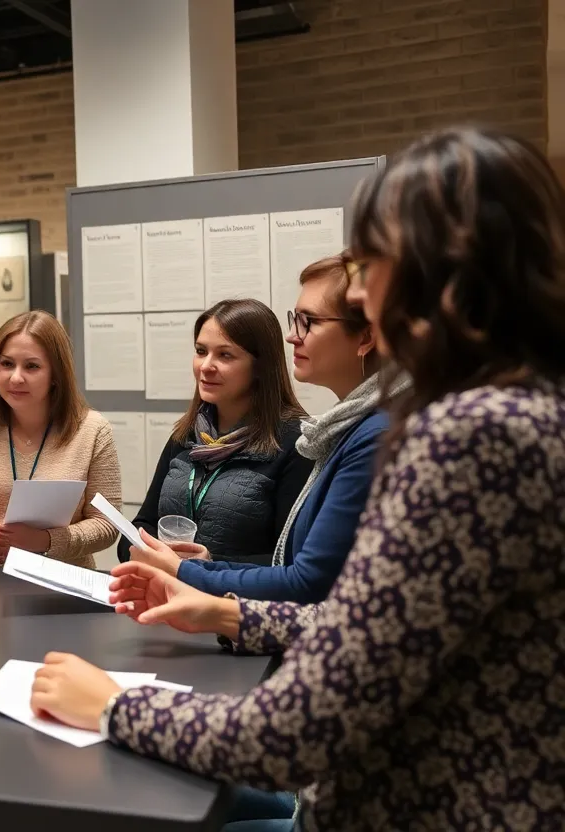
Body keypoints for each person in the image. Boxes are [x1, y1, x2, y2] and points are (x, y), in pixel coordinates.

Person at [29, 126, 565, 831]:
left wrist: (107, 703)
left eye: (371, 265)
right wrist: (225, 610)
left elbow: (289, 735)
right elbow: (377, 631)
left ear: (435, 273)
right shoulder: (527, 407)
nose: (365, 295)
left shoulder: (469, 434)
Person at [131, 253, 398, 604]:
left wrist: (193, 572)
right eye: (200, 351)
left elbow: (307, 581)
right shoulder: (345, 429)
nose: (293, 337)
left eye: (309, 322)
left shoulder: (354, 436)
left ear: (366, 336)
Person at [120, 299, 312, 566]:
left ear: (260, 367)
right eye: (201, 351)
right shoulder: (186, 435)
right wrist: (145, 549)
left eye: (225, 355)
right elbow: (142, 524)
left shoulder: (297, 442)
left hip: (240, 603)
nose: (206, 366)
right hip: (171, 596)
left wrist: (211, 564)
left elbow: (293, 559)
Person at [0, 310, 120, 568]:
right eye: (7, 364)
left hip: (62, 583)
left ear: (56, 375)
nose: (16, 378)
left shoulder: (93, 430)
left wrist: (43, 541)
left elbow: (106, 524)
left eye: (32, 366)